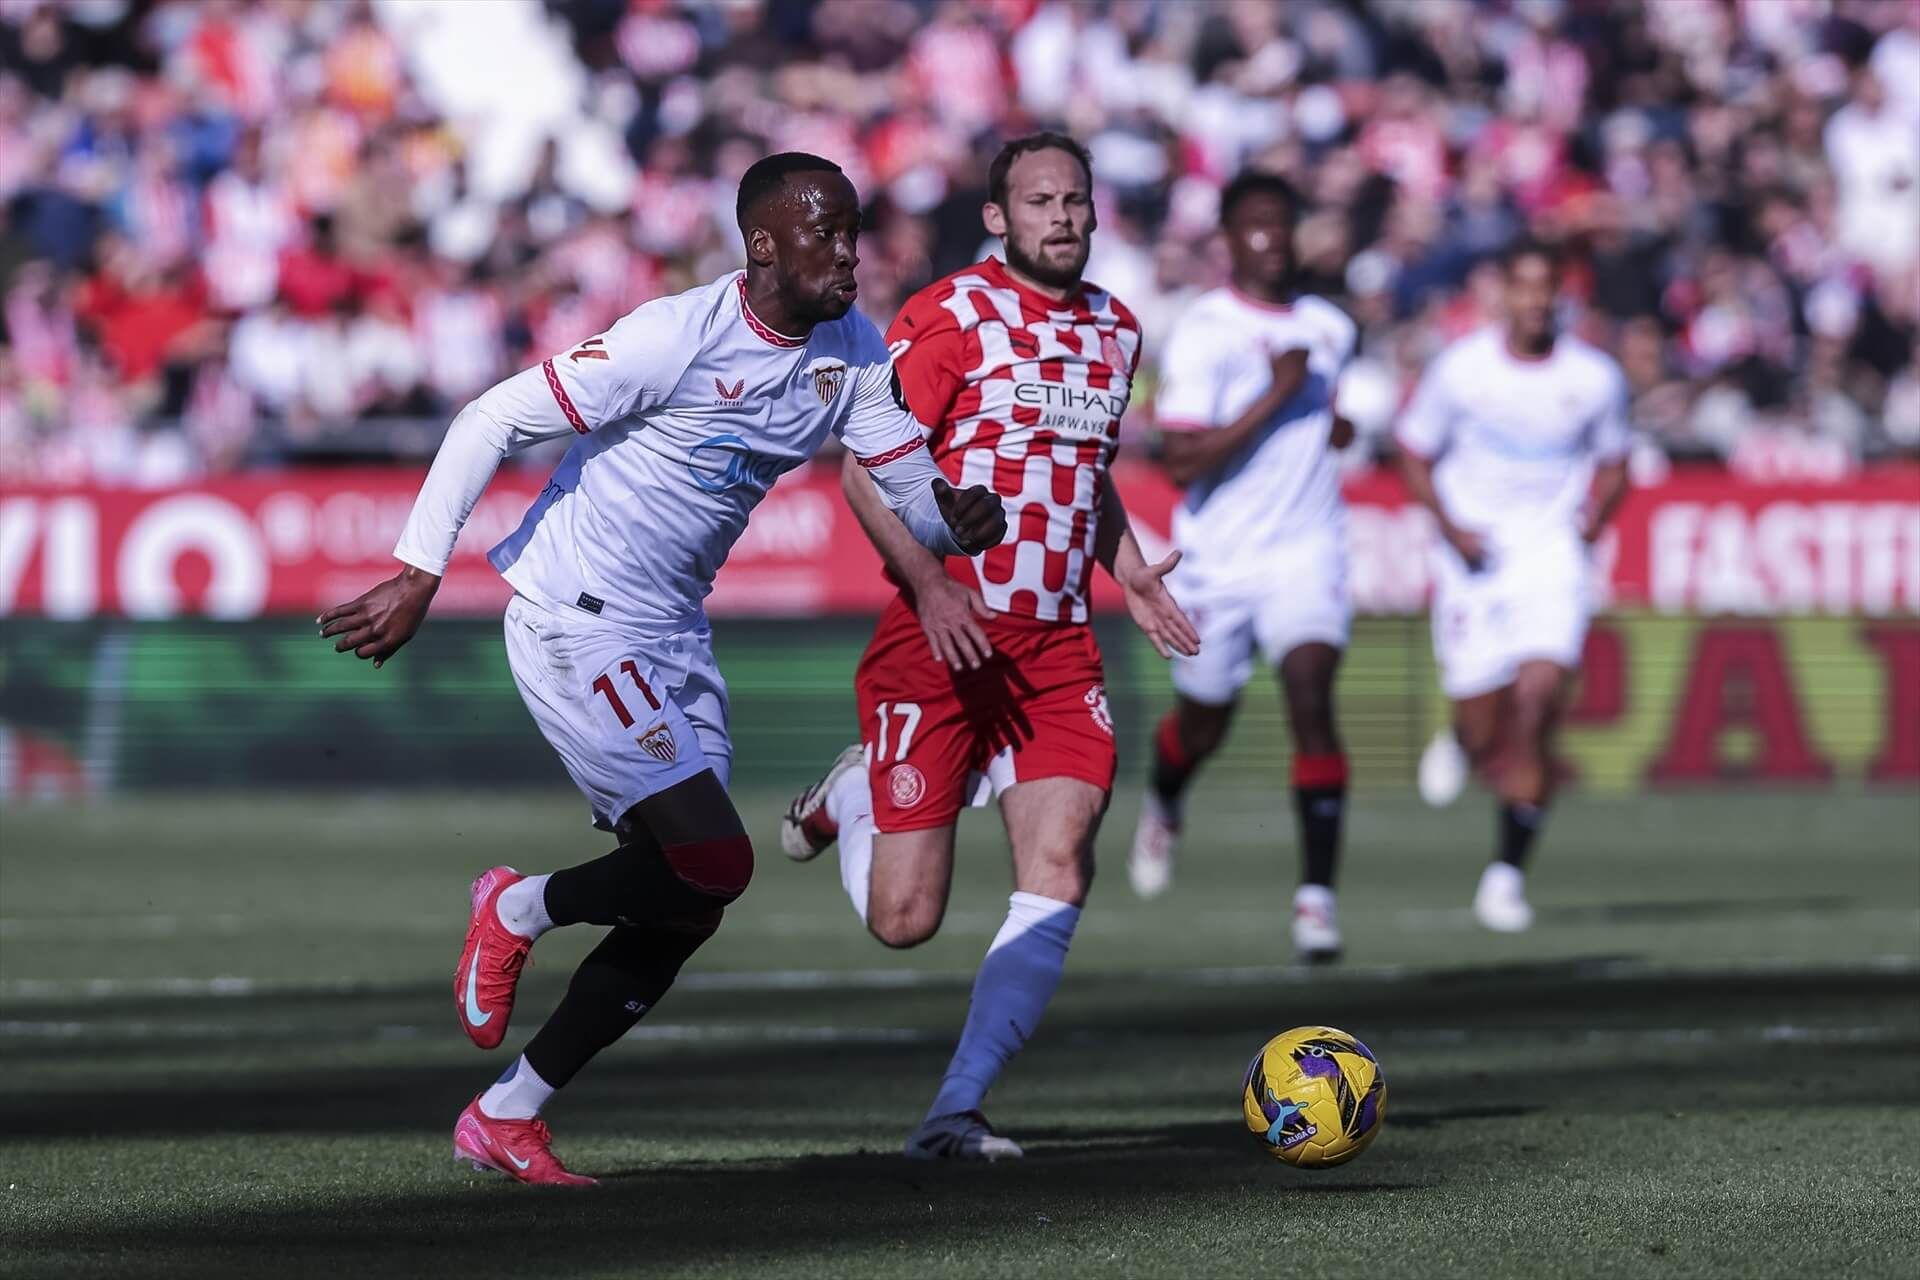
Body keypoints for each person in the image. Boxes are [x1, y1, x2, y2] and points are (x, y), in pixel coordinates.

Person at [318, 153, 1006, 1186]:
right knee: (717, 858)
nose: (850, 254)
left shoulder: (852, 348)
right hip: (576, 615)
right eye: (827, 233)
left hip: (672, 633)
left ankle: (508, 1113)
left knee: (690, 898)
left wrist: (950, 514)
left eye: (855, 231)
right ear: (764, 245)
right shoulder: (673, 337)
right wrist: (419, 571)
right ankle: (516, 907)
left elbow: (910, 488)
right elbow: (490, 418)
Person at [778, 133, 1198, 1161]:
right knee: (905, 920)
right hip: (946, 632)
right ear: (999, 219)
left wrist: (1129, 568)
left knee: (1060, 857)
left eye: (1078, 200)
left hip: (1057, 645)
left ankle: (954, 1111)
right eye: (1042, 200)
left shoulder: (1116, 329)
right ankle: (855, 791)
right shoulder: (950, 315)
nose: (1065, 216)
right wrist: (925, 584)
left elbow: (1081, 472)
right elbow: (867, 473)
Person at [1124, 171, 1359, 963]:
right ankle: (1163, 801)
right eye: (1254, 226)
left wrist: (1330, 424)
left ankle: (1316, 901)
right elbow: (1181, 461)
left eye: (1282, 224)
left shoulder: (1331, 325)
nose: (1271, 240)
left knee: (1311, 692)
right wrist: (1275, 397)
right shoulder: (1205, 331)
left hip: (1308, 549)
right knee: (1205, 720)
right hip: (1216, 562)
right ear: (1227, 239)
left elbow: (1322, 420)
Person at [1397, 238, 1631, 933]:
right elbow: (1414, 452)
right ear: (1502, 293)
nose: (1535, 300)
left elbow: (1616, 463)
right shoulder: (1461, 371)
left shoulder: (1595, 377)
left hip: (1551, 557)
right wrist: (1450, 525)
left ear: (1562, 294)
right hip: (1472, 560)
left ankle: (1506, 876)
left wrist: (1591, 524)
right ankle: (1463, 743)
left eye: (1546, 286)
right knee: (1485, 716)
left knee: (1539, 699)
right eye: (1522, 286)